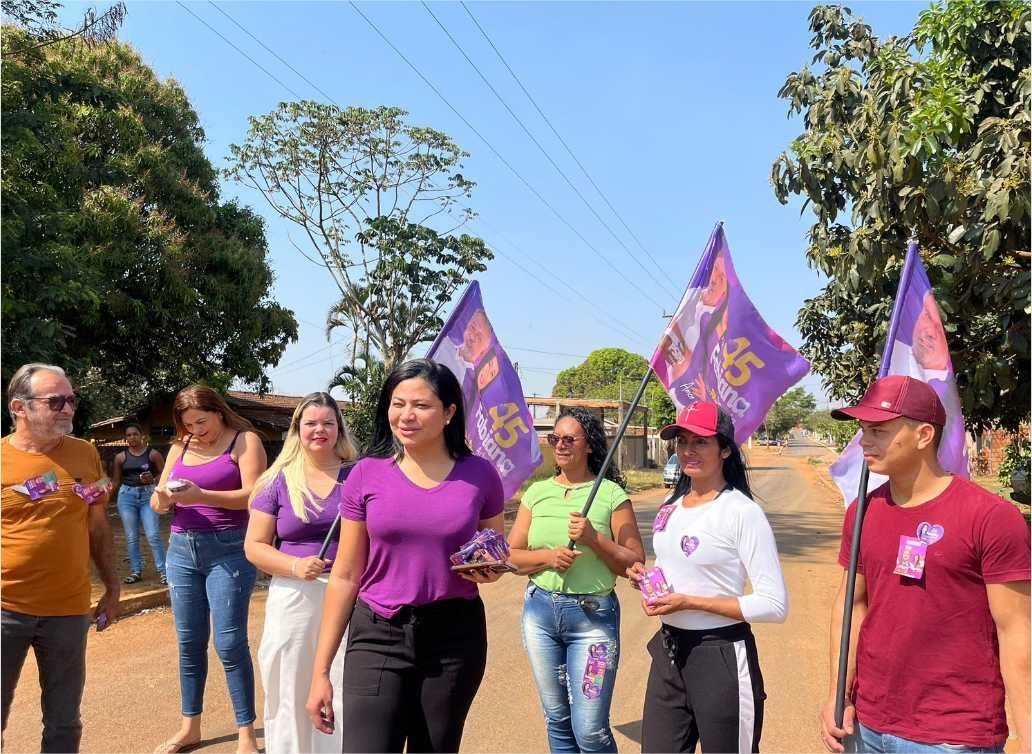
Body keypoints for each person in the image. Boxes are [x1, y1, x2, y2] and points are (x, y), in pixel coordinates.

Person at [819, 376, 1030, 754]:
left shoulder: (991, 517)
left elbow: (1017, 632)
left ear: (923, 435)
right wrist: (838, 694)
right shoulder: (863, 512)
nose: (865, 441)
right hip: (867, 727)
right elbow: (852, 604)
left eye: (879, 430)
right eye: (864, 430)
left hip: (954, 735)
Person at [305, 359, 508, 753]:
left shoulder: (480, 475)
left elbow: (493, 550)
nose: (406, 416)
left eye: (421, 405)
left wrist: (489, 570)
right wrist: (320, 671)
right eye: (397, 404)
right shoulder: (365, 474)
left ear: (450, 412)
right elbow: (346, 575)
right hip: (377, 633)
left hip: (454, 637)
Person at [628, 401, 787, 754]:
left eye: (700, 442)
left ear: (725, 449)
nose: (688, 450)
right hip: (670, 654)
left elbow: (774, 605)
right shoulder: (671, 503)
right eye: (682, 441)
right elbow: (677, 567)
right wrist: (648, 578)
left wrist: (690, 601)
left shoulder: (742, 512)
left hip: (721, 656)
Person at [508, 407, 645, 753]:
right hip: (540, 615)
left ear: (590, 446)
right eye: (555, 438)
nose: (561, 445)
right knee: (557, 719)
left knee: (590, 730)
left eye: (571, 439)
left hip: (594, 623)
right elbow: (511, 555)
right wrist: (548, 557)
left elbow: (634, 561)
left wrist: (593, 539)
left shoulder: (611, 494)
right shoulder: (537, 493)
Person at [1, 363, 120, 753]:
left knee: (64, 723)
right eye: (56, 401)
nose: (68, 408)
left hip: (68, 611)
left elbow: (98, 524)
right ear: (19, 407)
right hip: (5, 609)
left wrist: (113, 585)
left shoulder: (86, 455)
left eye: (71, 399)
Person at [151, 386, 267, 754]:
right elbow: (157, 501)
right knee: (189, 643)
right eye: (188, 424)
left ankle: (246, 732)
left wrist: (201, 495)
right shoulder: (179, 447)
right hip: (182, 549)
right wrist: (165, 497)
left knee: (230, 643)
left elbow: (253, 496)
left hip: (229, 549)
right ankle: (190, 727)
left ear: (219, 411)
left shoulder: (245, 441)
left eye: (202, 421)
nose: (196, 430)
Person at [245, 392, 358, 754]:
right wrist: (295, 566)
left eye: (328, 422)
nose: (319, 430)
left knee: (341, 684)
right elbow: (255, 546)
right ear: (297, 429)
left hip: (349, 596)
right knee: (289, 685)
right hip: (294, 597)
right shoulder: (276, 480)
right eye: (311, 423)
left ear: (339, 429)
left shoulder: (358, 476)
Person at [110, 422, 166, 584]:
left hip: (148, 495)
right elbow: (115, 481)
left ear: (142, 436)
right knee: (131, 536)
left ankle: (163, 571)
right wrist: (103, 499)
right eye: (128, 435)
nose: (132, 437)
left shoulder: (153, 454)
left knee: (153, 535)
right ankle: (136, 571)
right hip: (126, 497)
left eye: (135, 434)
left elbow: (164, 473)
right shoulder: (120, 457)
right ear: (125, 438)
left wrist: (153, 479)